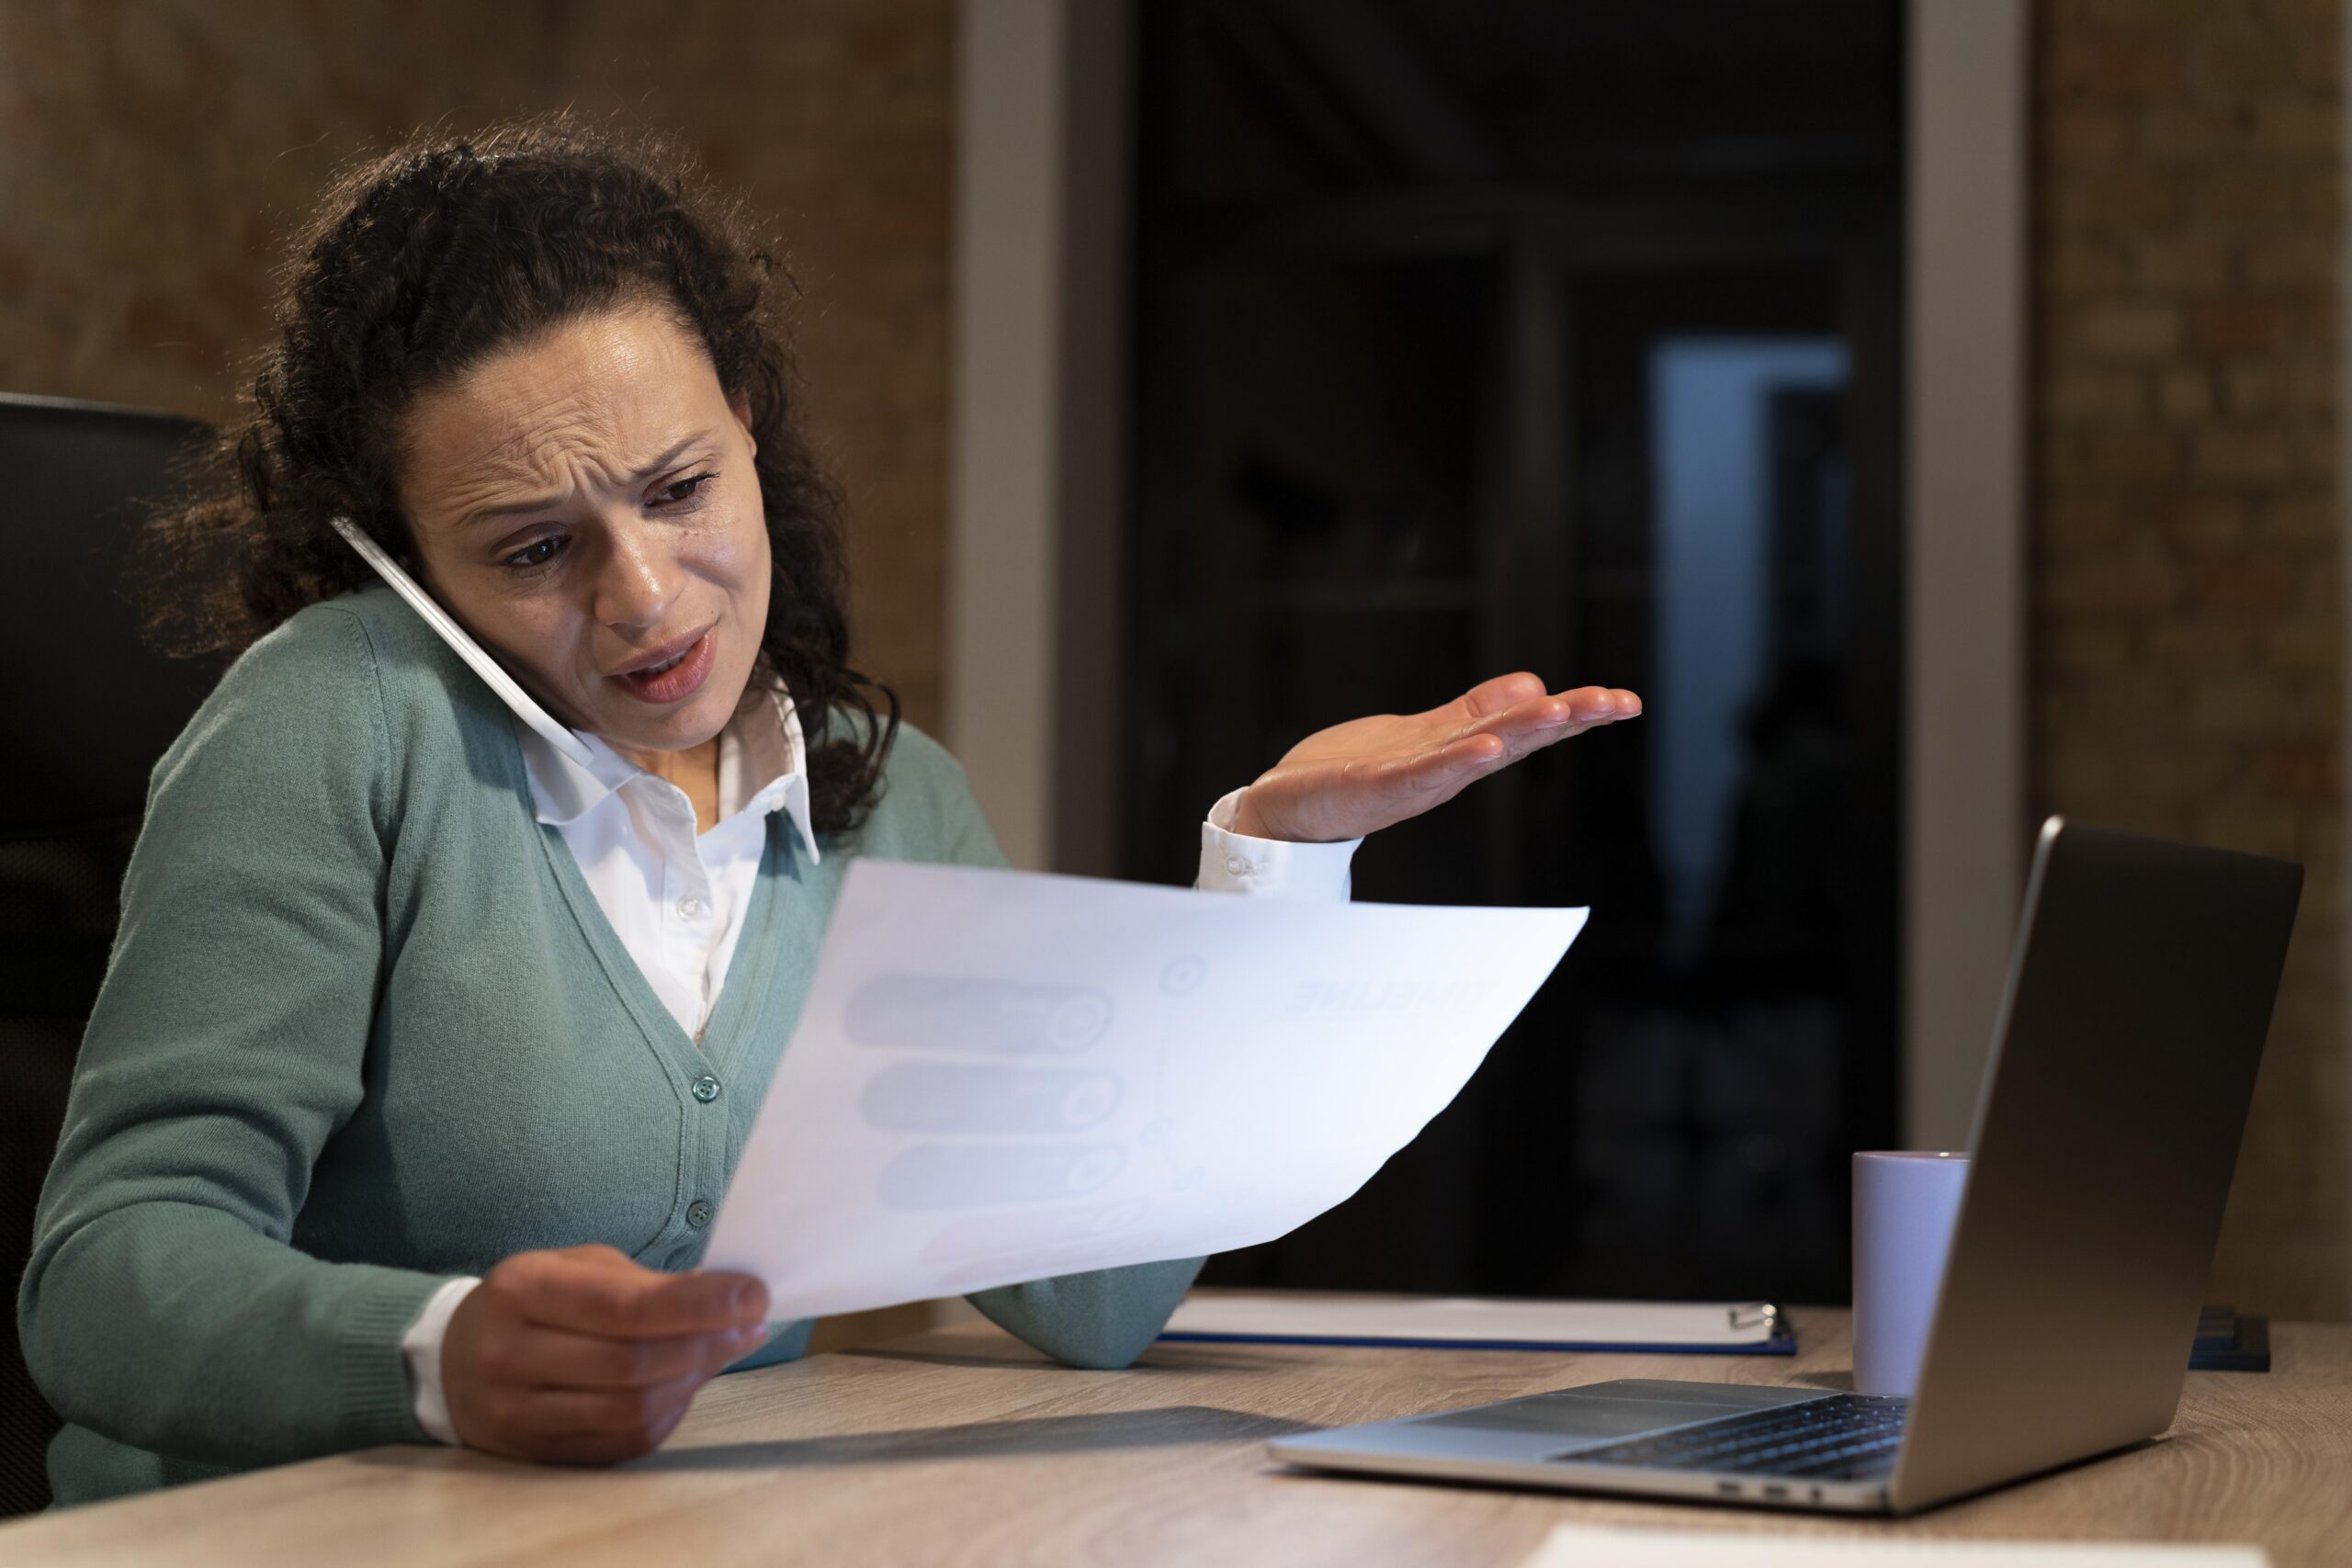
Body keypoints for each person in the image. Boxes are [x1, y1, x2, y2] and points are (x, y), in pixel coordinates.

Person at [16, 114, 1640, 1506]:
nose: (649, 599)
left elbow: (1096, 1297)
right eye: (530, 550)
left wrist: (1276, 870)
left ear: (751, 433)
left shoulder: (884, 790)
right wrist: (434, 1356)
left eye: (679, 488)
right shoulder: (339, 716)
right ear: (402, 567)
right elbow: (100, 1279)